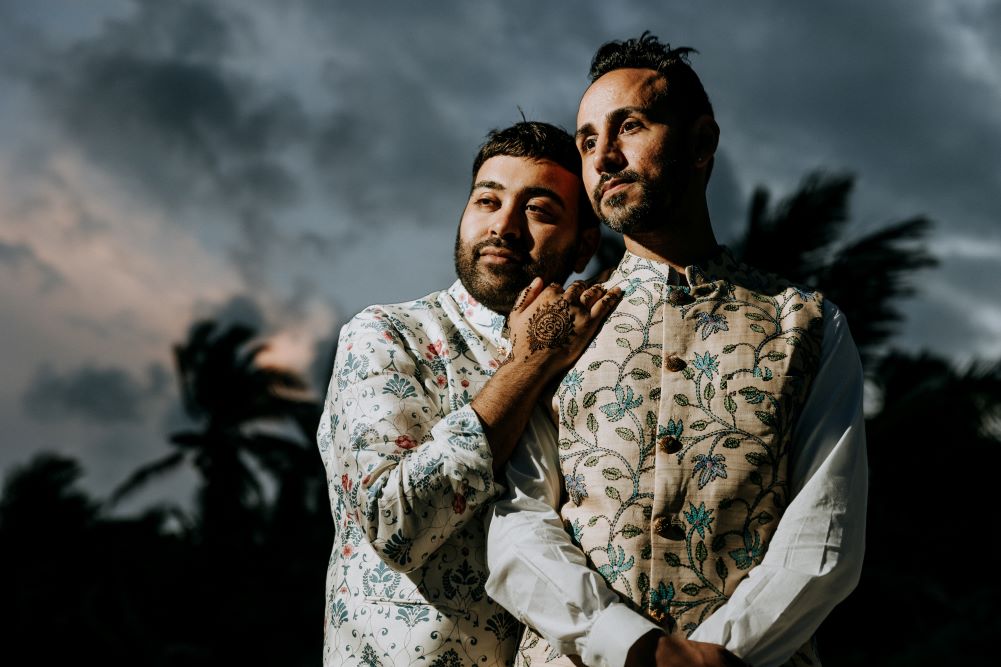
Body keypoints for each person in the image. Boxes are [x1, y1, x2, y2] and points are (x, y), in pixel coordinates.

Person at [485, 34, 868, 667]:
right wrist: (629, 645)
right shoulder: (556, 324)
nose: (603, 157)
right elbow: (518, 515)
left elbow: (826, 524)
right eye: (586, 141)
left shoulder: (808, 323)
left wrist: (718, 653)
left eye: (628, 126)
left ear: (701, 144)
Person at [317, 121, 624, 666]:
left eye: (539, 210)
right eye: (487, 200)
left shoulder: (598, 353)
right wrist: (531, 360)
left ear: (584, 246)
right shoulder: (387, 334)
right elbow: (396, 525)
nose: (503, 226)